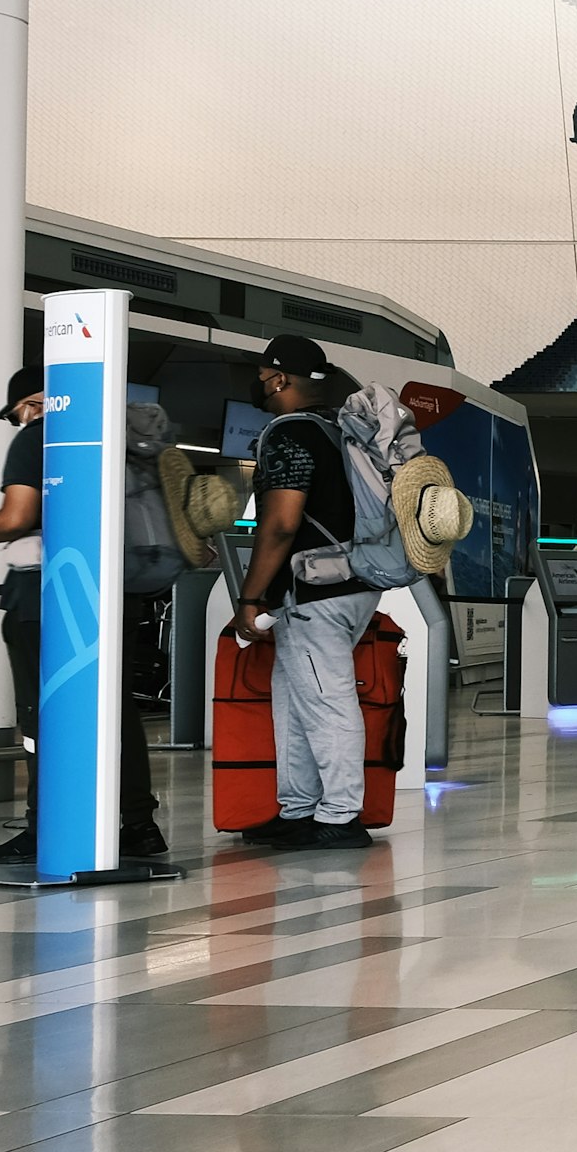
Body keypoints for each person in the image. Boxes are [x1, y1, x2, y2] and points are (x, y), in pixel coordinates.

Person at [0, 366, 168, 868]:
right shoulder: (114, 439)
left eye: (15, 414)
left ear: (31, 404)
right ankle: (138, 824)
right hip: (116, 587)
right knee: (116, 708)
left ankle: (44, 825)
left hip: (45, 592)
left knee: (40, 713)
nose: (16, 423)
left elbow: (17, 516)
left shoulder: (39, 436)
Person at [231, 336, 380, 851]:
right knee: (296, 700)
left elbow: (280, 524)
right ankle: (298, 809)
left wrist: (250, 598)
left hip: (316, 592)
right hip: (350, 583)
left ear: (277, 378)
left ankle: (340, 816)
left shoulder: (288, 434)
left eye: (261, 374)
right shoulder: (339, 433)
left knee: (327, 702)